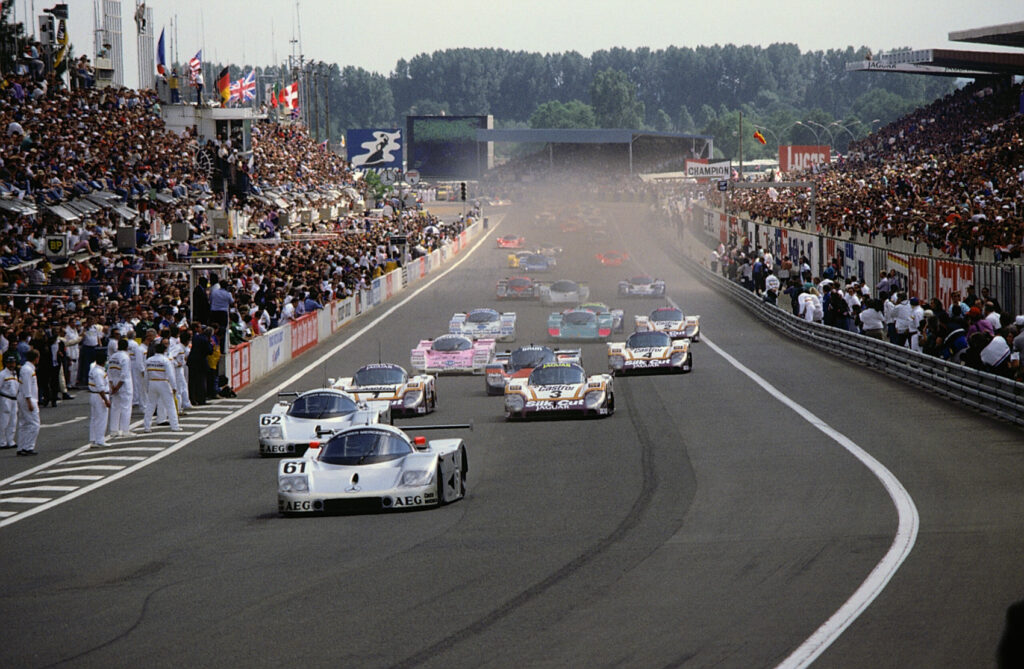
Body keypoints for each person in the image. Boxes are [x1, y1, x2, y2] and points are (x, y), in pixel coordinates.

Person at [143, 342, 180, 433]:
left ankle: (147, 427)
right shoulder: (165, 360)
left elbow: (145, 375)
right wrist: (174, 386)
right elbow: (170, 375)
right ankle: (175, 426)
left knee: (150, 405)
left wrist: (146, 386)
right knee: (170, 405)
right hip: (163, 382)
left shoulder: (149, 360)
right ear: (164, 350)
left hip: (152, 382)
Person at [107, 339, 134, 437]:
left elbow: (109, 372)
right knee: (126, 407)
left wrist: (112, 386)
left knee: (115, 407)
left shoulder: (113, 357)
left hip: (113, 382)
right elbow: (124, 375)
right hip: (123, 385)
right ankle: (125, 430)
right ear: (127, 347)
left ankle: (114, 430)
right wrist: (117, 387)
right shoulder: (125, 358)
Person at [16, 350, 40, 456]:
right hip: (29, 399)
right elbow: (26, 386)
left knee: (24, 424)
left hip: (27, 398)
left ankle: (21, 446)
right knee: (34, 424)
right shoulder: (27, 370)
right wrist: (29, 401)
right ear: (35, 358)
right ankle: (28, 447)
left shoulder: (27, 369)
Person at [87, 348, 111, 447]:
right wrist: (106, 400)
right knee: (101, 418)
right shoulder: (98, 372)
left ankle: (93, 439)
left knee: (95, 418)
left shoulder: (95, 369)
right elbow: (100, 388)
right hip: (99, 395)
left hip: (95, 395)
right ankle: (100, 439)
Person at [0, 353, 19, 449]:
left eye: (13, 363)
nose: (12, 364)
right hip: (5, 399)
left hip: (14, 400)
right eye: (10, 363)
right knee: (4, 421)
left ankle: (10, 440)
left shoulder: (15, 374)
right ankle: (2, 441)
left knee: (13, 421)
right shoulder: (2, 374)